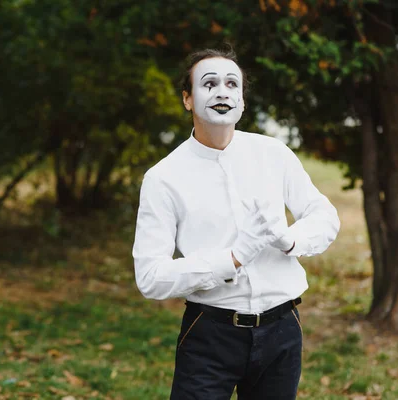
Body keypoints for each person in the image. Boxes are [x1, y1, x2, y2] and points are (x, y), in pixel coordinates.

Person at [132, 48, 340, 400]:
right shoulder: (163, 178)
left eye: (232, 84)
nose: (222, 92)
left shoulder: (273, 154)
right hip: (210, 333)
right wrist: (233, 258)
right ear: (187, 98)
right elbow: (150, 277)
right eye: (208, 83)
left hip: (282, 330)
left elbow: (324, 216)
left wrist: (290, 240)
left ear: (242, 101)